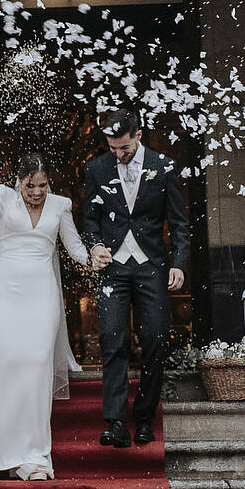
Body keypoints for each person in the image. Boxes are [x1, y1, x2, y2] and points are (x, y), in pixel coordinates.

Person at [0, 147, 90, 479]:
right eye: (30, 186)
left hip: (42, 292)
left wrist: (93, 257)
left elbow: (74, 247)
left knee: (36, 363)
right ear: (19, 181)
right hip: (4, 290)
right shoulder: (4, 198)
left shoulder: (61, 206)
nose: (36, 193)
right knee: (5, 361)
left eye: (42, 186)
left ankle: (33, 456)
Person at [80, 109, 189, 449]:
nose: (118, 154)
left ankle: (144, 418)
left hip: (151, 266)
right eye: (113, 148)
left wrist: (179, 263)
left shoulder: (164, 167)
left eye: (124, 148)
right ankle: (115, 422)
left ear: (139, 135)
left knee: (155, 340)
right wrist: (95, 245)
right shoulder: (96, 168)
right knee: (112, 338)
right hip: (113, 267)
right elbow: (90, 219)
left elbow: (181, 224)